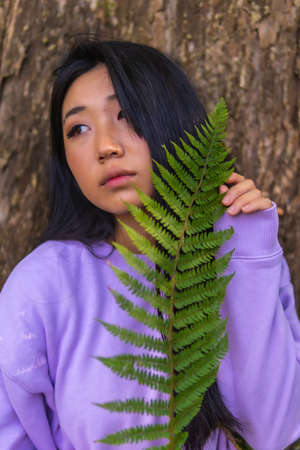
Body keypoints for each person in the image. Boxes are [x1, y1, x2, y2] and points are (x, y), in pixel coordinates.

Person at [0, 38, 299, 450]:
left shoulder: (244, 253)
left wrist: (247, 247)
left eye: (126, 114)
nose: (106, 146)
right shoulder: (42, 288)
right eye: (78, 129)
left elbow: (273, 431)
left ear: (169, 119)